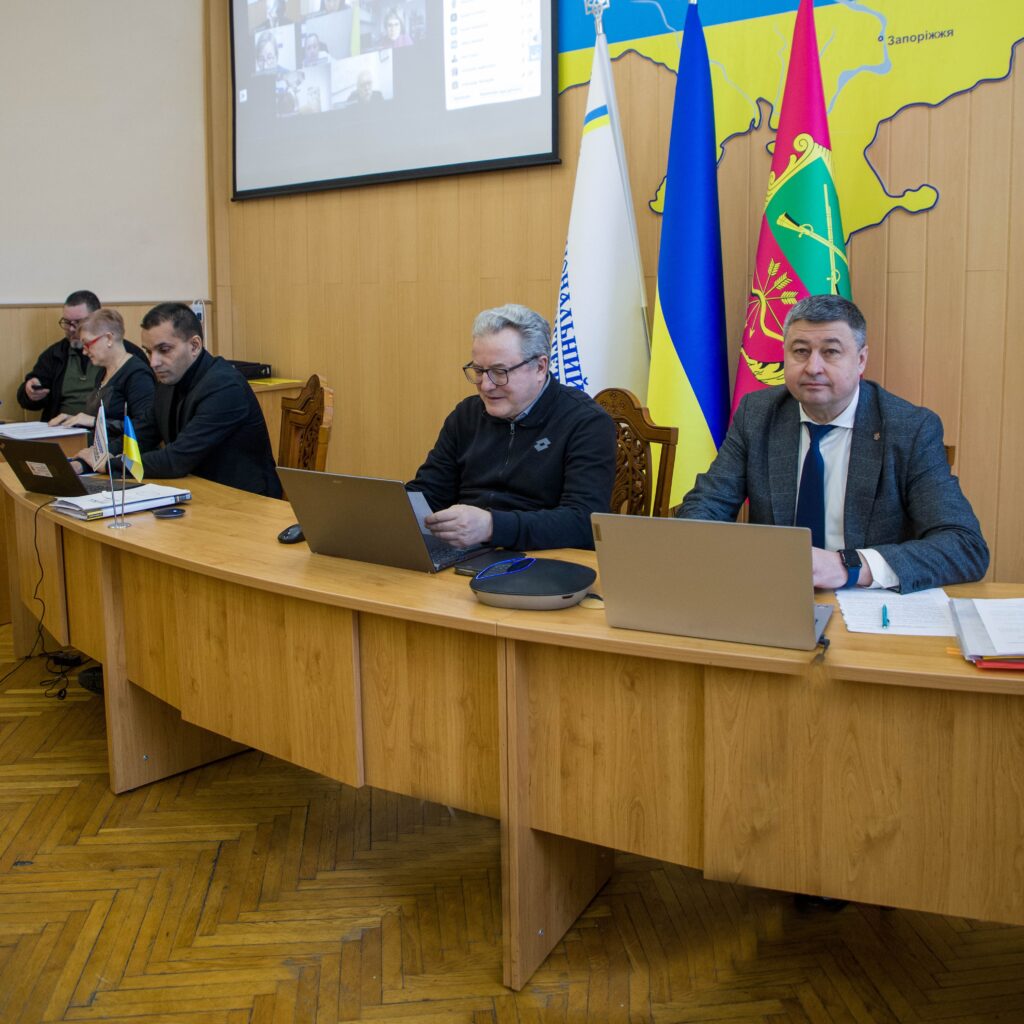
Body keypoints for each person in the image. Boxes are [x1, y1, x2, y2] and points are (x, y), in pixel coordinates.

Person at [677, 294, 989, 594]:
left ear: (861, 359)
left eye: (831, 352)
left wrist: (848, 566)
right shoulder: (756, 415)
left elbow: (964, 546)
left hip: (868, 602)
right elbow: (705, 507)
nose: (813, 367)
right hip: (774, 595)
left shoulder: (911, 429)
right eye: (800, 351)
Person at [408, 303, 616, 551]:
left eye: (499, 372)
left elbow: (584, 522)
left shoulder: (586, 422)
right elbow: (429, 494)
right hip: (464, 554)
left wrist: (492, 526)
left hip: (544, 560)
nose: (486, 385)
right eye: (479, 370)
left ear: (540, 367)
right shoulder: (466, 415)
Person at [76, 303, 282, 498]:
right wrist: (92, 459)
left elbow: (176, 460)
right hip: (197, 490)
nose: (153, 362)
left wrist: (110, 465)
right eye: (149, 351)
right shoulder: (170, 379)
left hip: (243, 500)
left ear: (194, 345)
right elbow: (143, 433)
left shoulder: (225, 387)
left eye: (164, 350)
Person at [16, 290, 137, 421]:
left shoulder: (125, 355)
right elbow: (26, 399)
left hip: (105, 432)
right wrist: (31, 393)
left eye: (79, 322)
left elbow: (140, 416)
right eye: (67, 322)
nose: (72, 329)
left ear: (96, 318)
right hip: (62, 429)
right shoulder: (55, 354)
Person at [50, 308, 155, 443]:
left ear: (109, 338)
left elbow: (145, 429)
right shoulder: (102, 372)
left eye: (87, 344)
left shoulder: (138, 375)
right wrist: (73, 419)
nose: (84, 352)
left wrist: (94, 422)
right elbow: (96, 421)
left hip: (122, 458)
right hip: (97, 451)